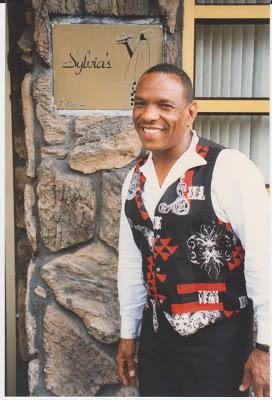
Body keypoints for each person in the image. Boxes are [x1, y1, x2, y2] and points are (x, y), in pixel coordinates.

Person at [116, 63, 270, 397]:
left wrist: (265, 349)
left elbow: (265, 261)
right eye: (140, 103)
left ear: (190, 112)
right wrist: (129, 333)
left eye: (164, 105)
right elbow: (132, 264)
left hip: (221, 343)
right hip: (157, 341)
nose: (148, 115)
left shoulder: (229, 168)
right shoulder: (135, 178)